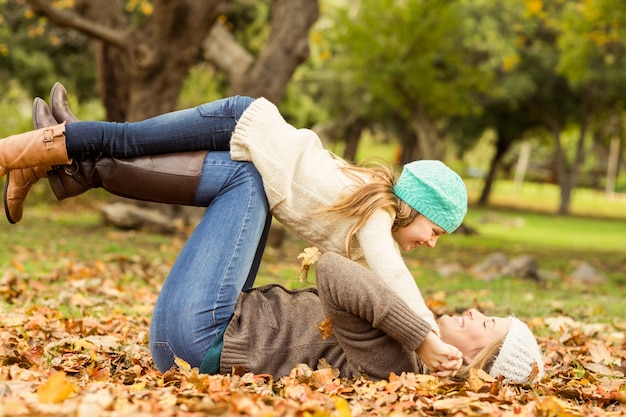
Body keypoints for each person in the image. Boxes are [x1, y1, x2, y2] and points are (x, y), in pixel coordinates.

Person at [3, 90, 545, 383]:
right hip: (249, 132)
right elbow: (379, 275)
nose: (476, 312)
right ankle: (60, 161)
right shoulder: (376, 219)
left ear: (479, 362)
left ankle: (64, 160)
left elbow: (363, 274)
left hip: (199, 341)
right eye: (434, 229)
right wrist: (425, 331)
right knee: (159, 148)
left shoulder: (404, 361)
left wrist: (424, 337)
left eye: (488, 324)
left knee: (242, 176)